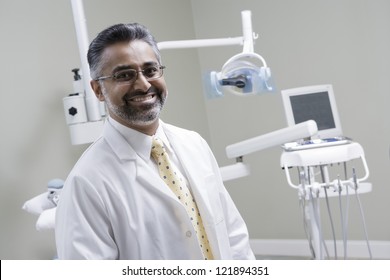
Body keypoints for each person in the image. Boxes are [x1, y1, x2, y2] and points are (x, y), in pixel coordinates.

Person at [55, 22, 255, 260]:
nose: (143, 84)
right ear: (98, 89)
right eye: (124, 75)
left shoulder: (194, 144)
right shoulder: (86, 183)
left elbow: (233, 235)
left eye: (150, 70)